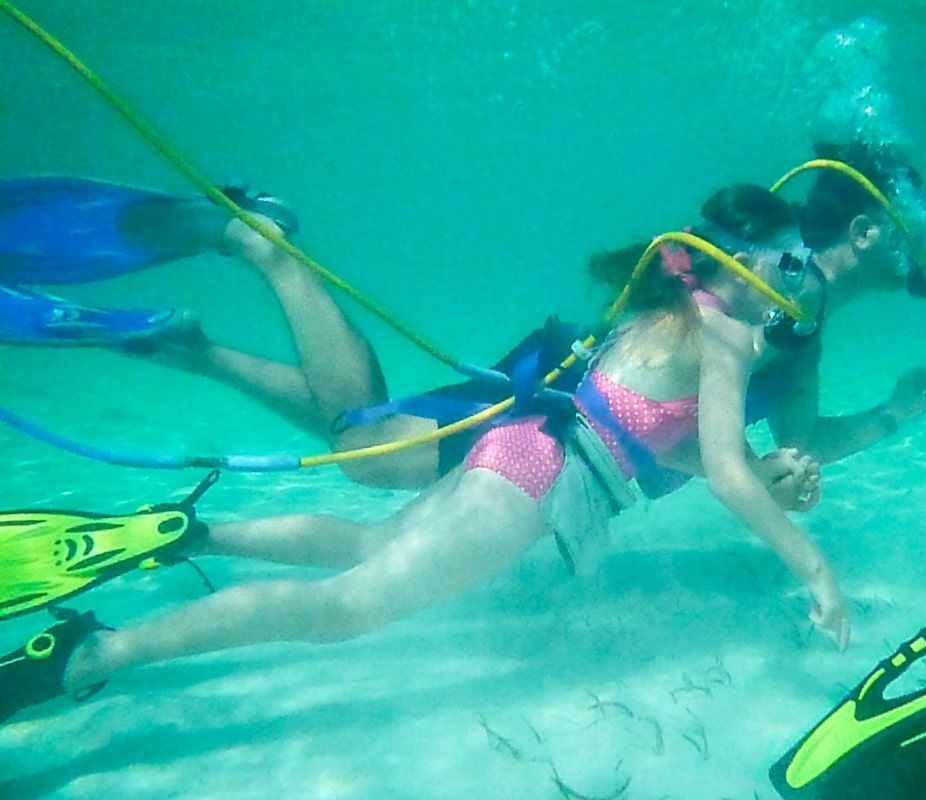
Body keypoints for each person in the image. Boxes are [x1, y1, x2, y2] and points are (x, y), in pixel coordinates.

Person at [4, 181, 855, 721]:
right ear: (741, 261)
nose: (795, 277)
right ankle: (93, 656)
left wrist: (764, 474)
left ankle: (189, 535)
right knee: (347, 608)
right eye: (789, 260)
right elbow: (727, 473)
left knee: (368, 544)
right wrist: (814, 568)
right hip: (539, 479)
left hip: (519, 447)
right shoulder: (728, 340)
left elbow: (650, 435)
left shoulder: (654, 311)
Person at [127, 141, 926, 497]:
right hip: (564, 410)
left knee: (373, 434)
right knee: (369, 456)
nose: (921, 266)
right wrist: (891, 417)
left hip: (567, 389)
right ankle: (265, 247)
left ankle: (197, 353)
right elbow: (743, 432)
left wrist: (883, 418)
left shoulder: (786, 287)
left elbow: (789, 439)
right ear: (868, 231)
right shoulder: (789, 302)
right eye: (912, 241)